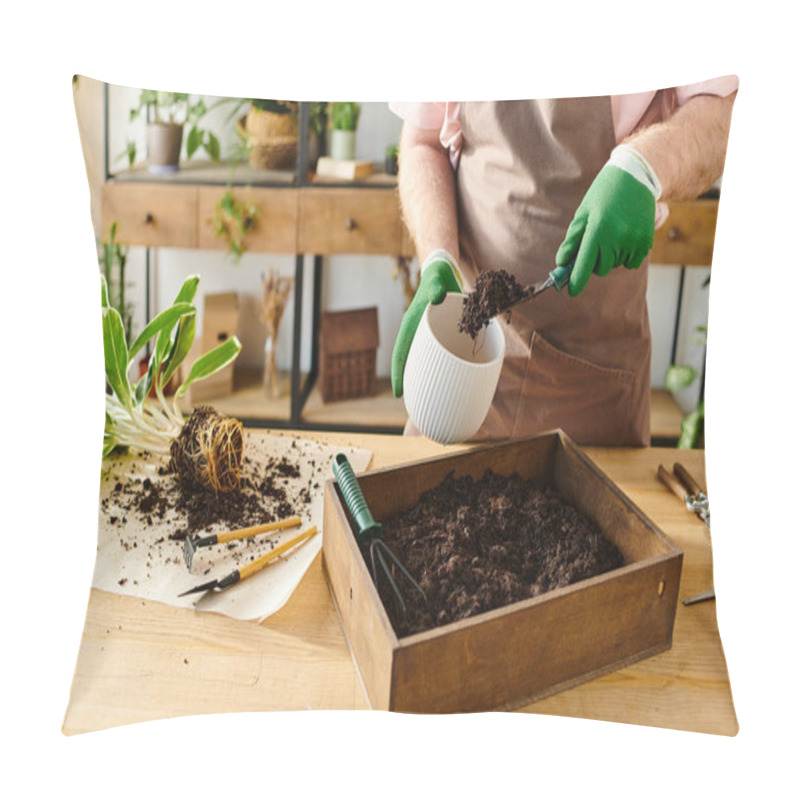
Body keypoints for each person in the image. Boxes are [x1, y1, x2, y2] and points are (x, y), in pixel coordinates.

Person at [389, 79, 738, 446]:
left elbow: (722, 113)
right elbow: (422, 142)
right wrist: (436, 257)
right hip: (465, 358)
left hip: (594, 380)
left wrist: (644, 166)